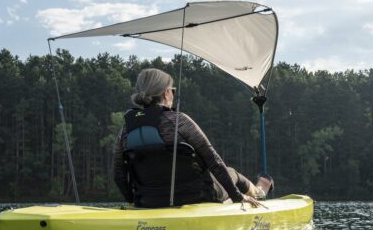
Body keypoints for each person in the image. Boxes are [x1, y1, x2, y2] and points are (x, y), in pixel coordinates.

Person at [113, 68, 272, 208]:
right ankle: (259, 192)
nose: (173, 94)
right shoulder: (179, 121)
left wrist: (132, 201)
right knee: (232, 173)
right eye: (172, 90)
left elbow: (118, 173)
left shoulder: (126, 128)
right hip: (197, 197)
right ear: (165, 93)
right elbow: (214, 161)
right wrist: (237, 196)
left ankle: (257, 192)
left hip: (148, 201)